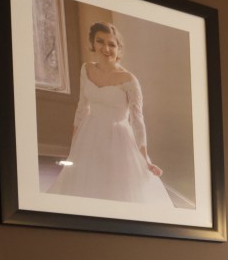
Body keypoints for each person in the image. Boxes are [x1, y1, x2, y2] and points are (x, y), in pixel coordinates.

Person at [52, 21, 170, 205]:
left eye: (112, 44)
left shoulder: (129, 80)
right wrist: (74, 147)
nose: (106, 48)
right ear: (93, 43)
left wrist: (144, 158)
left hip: (118, 138)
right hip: (89, 133)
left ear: (119, 49)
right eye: (100, 41)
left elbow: (137, 120)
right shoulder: (86, 69)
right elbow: (82, 107)